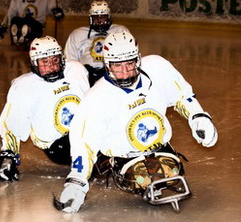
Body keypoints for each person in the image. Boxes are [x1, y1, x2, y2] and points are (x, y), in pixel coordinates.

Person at [56, 31, 218, 213]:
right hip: (124, 158)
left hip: (160, 147)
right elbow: (83, 144)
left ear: (138, 59)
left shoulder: (157, 67)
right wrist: (77, 182)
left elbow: (182, 96)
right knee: (143, 179)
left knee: (171, 173)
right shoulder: (96, 98)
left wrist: (198, 117)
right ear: (107, 65)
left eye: (129, 64)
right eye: (118, 66)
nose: (125, 72)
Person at [0, 36, 90, 182]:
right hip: (58, 146)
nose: (51, 66)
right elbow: (13, 123)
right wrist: (8, 156)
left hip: (86, 133)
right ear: (34, 63)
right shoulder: (25, 86)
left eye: (55, 60)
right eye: (45, 62)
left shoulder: (76, 70)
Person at [64, 0, 129, 86]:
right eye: (96, 18)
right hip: (86, 76)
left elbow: (129, 57)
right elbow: (69, 61)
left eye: (102, 17)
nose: (99, 21)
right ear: (90, 18)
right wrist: (82, 71)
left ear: (108, 17)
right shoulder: (77, 34)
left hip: (113, 73)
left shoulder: (120, 31)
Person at [0, 0, 65, 46]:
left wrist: (58, 13)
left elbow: (55, 13)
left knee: (29, 23)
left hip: (37, 25)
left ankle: (24, 36)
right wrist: (2, 27)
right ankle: (19, 35)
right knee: (15, 20)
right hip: (21, 23)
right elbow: (10, 15)